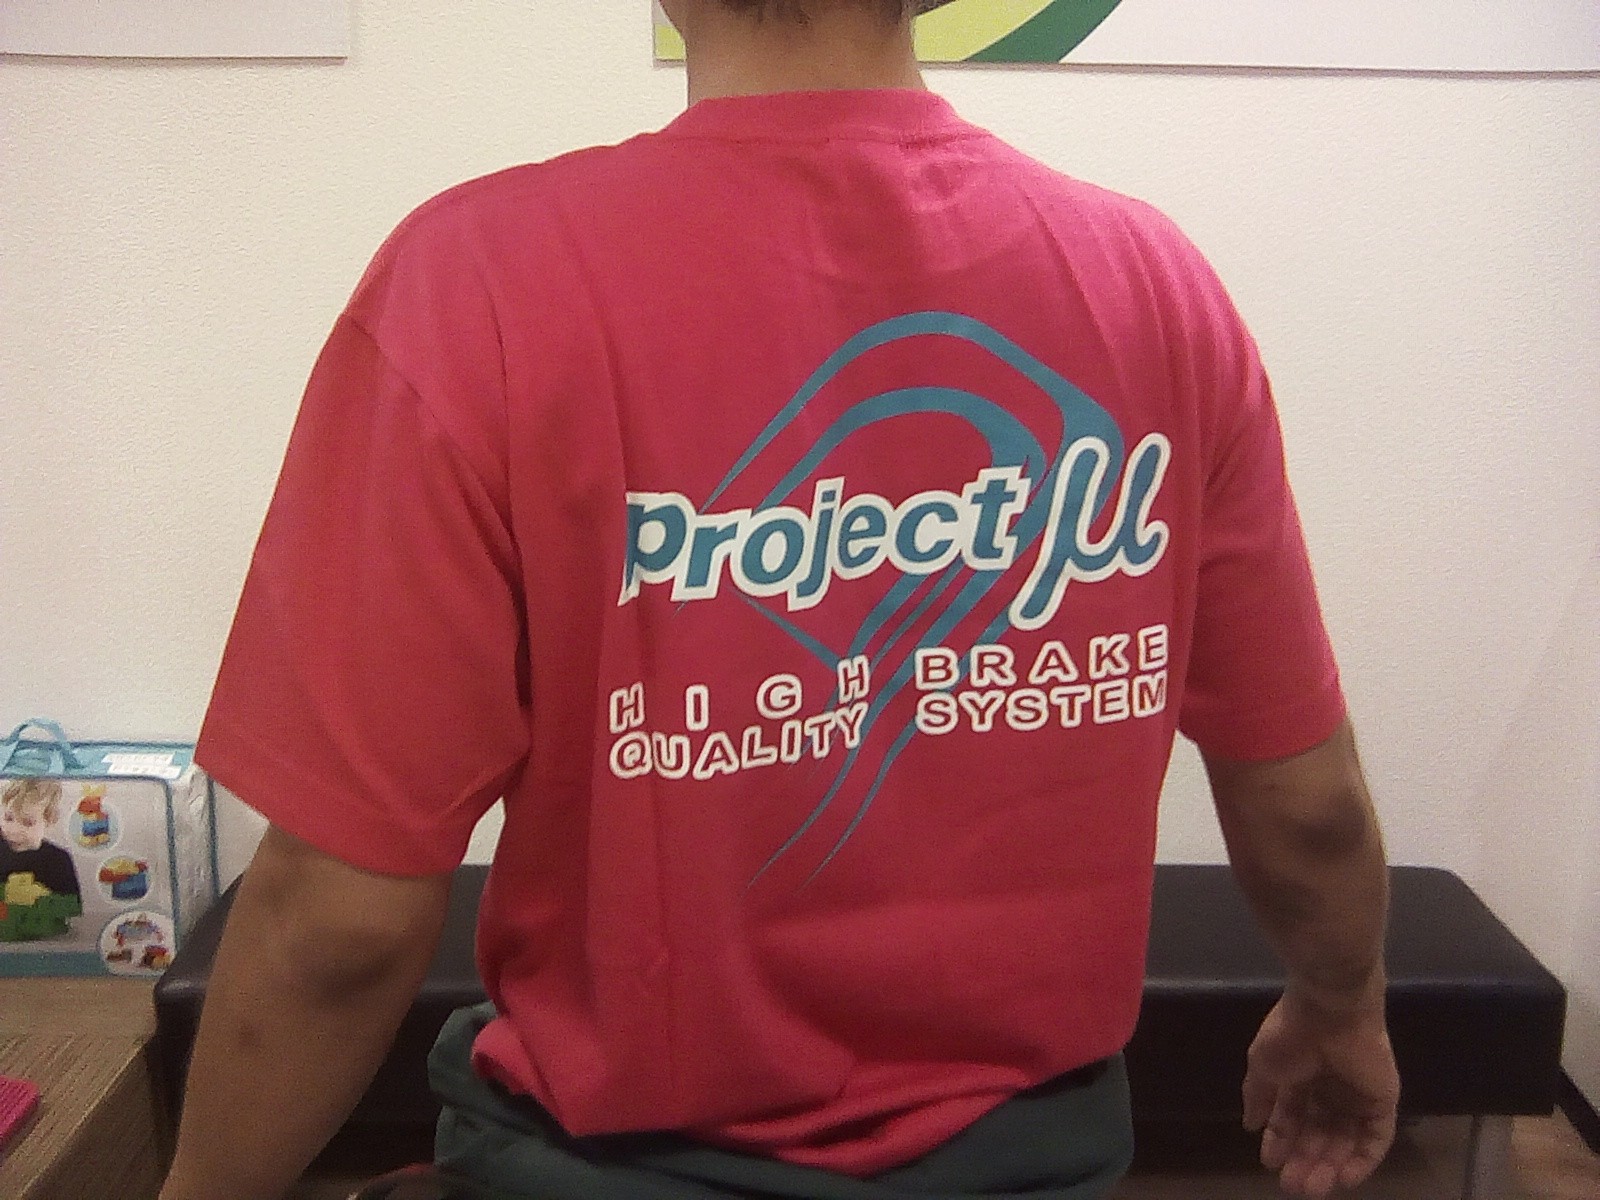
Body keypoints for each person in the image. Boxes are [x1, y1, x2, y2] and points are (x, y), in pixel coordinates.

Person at [158, 2, 1399, 1198]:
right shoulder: (1154, 288)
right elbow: (1306, 804)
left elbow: (338, 925)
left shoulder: (474, 284)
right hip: (1034, 1158)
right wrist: (1340, 1005)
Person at [0, 778, 83, 905]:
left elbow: (71, 908)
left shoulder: (58, 861)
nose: (14, 830)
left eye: (28, 823)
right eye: (8, 818)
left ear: (49, 821)